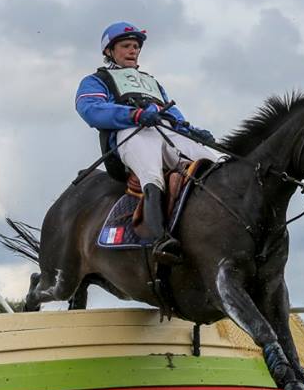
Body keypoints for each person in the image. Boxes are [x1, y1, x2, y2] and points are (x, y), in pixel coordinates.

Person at [75, 21, 218, 264]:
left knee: (216, 162)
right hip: (130, 134)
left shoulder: (152, 82)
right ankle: (161, 239)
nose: (133, 51)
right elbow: (91, 109)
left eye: (136, 47)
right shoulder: (95, 81)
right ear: (109, 51)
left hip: (164, 131)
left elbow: (174, 117)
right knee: (152, 172)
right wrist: (134, 115)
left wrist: (192, 131)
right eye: (126, 46)